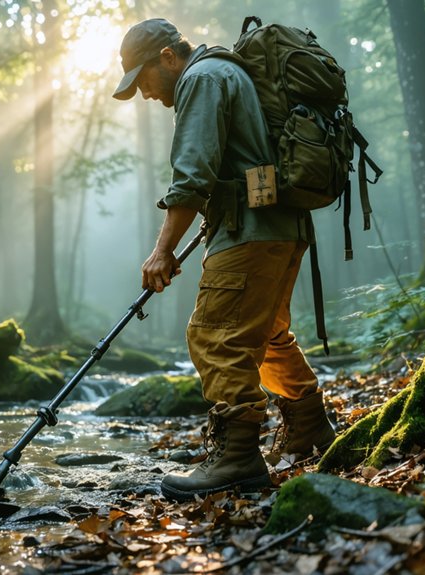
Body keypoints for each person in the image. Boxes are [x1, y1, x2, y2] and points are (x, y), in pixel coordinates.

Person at [112, 18, 336, 501]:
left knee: (215, 336)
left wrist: (162, 249)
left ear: (168, 57)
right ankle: (310, 428)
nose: (146, 93)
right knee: (268, 334)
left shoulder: (202, 78)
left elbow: (192, 173)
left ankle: (236, 459)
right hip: (281, 226)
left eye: (144, 79)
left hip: (251, 233)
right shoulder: (228, 73)